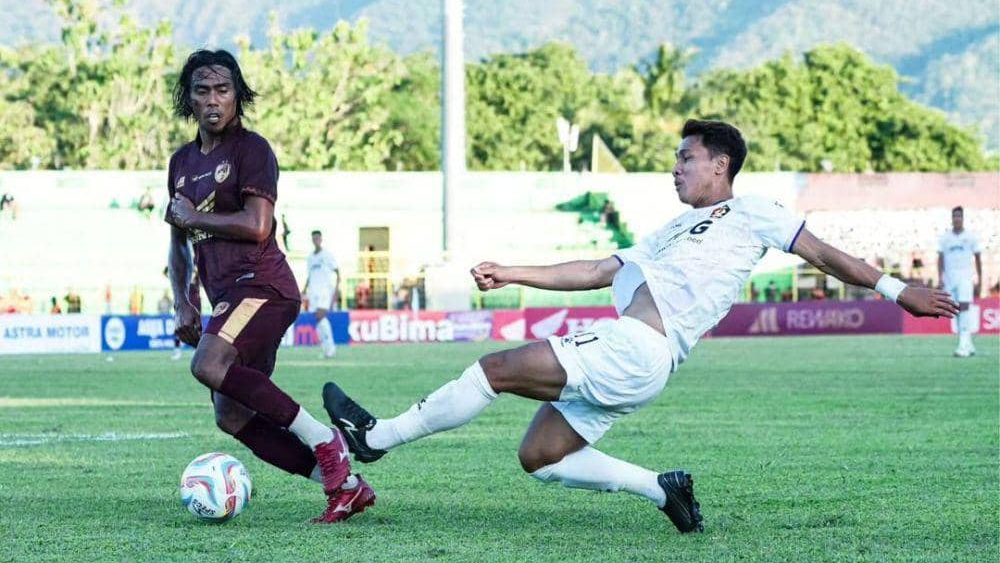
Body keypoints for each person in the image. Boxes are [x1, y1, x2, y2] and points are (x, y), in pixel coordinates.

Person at [320, 119, 958, 534]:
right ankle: (662, 489)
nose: (675, 167)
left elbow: (823, 255)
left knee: (496, 369)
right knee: (540, 458)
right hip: (638, 360)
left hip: (638, 348)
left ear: (721, 164)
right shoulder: (670, 229)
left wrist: (898, 291)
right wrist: (515, 271)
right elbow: (597, 269)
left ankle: (379, 437)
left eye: (687, 157)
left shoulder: (754, 211)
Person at [164, 49, 367, 523]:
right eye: (202, 91)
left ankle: (324, 439)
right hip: (226, 297)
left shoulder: (252, 150)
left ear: (238, 96)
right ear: (187, 99)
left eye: (223, 89)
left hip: (264, 286)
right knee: (230, 416)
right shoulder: (181, 162)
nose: (213, 100)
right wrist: (183, 302)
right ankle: (345, 486)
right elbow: (176, 239)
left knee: (208, 364)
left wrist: (196, 217)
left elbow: (258, 224)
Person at [937, 206, 983, 357]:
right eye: (954, 216)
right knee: (955, 309)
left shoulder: (971, 237)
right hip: (950, 279)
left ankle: (963, 345)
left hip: (965, 277)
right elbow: (940, 258)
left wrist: (979, 279)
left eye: (959, 216)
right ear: (952, 218)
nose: (957, 219)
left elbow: (977, 258)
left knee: (964, 307)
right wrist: (940, 278)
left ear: (963, 218)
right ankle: (967, 343)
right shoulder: (945, 238)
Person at [303, 230, 340, 358]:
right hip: (313, 291)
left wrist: (336, 290)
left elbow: (337, 272)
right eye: (314, 238)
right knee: (317, 319)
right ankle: (325, 348)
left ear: (321, 239)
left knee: (320, 317)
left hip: (325, 290)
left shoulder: (327, 255)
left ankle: (330, 348)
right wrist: (304, 290)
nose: (316, 240)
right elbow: (309, 276)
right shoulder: (310, 257)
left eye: (318, 238)